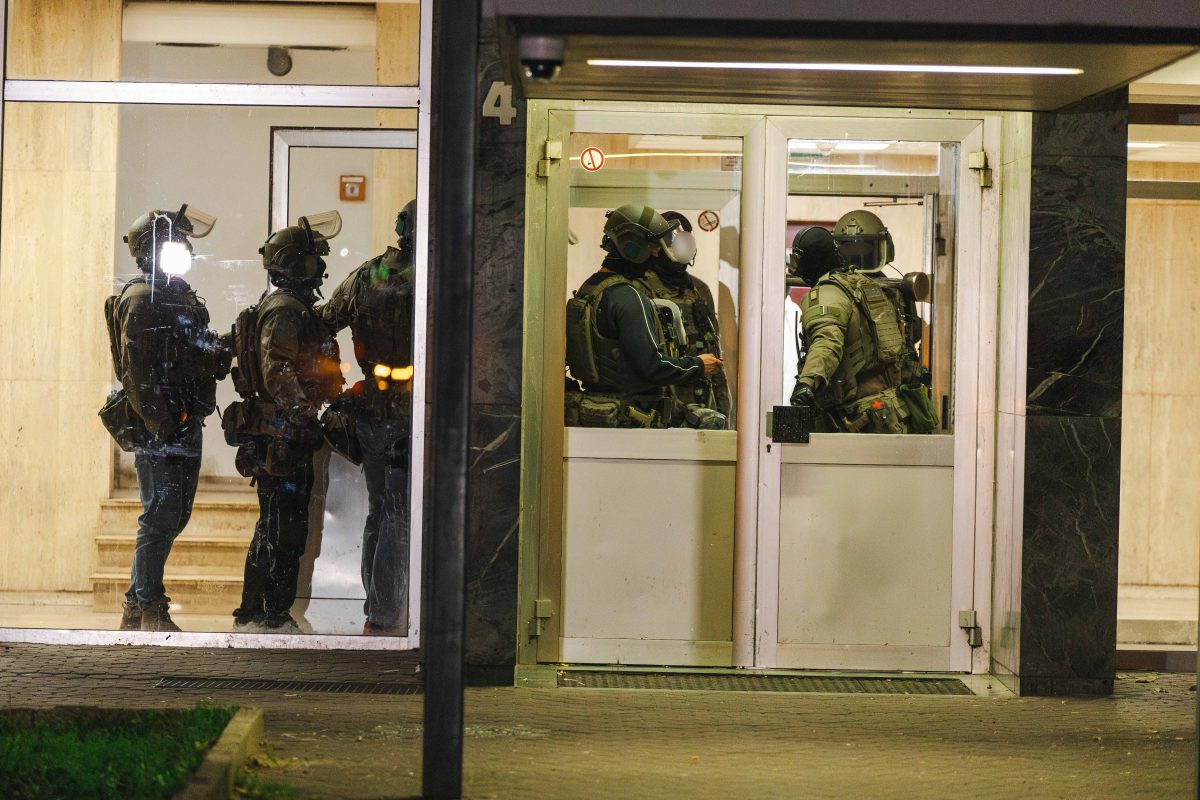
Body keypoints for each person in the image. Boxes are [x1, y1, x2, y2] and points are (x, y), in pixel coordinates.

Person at [104, 205, 227, 632]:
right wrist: (165, 426)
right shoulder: (142, 297)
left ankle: (136, 605)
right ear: (149, 250)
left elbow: (190, 352)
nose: (185, 249)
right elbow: (137, 375)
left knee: (172, 515)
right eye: (175, 243)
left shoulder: (175, 294)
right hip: (163, 428)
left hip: (183, 420)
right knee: (160, 515)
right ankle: (149, 605)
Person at [225, 212, 345, 633]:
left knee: (274, 525)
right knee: (284, 529)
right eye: (313, 257)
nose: (320, 264)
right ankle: (271, 615)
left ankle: (255, 612)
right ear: (295, 264)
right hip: (282, 435)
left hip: (277, 431)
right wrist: (303, 414)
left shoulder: (287, 307)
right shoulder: (286, 310)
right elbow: (278, 370)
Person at [317, 201, 416, 636]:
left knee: (380, 508)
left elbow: (325, 321)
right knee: (398, 513)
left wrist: (336, 383)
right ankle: (386, 614)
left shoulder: (367, 273)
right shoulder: (429, 277)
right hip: (410, 410)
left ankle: (376, 607)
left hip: (370, 406)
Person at [564, 204, 722, 429]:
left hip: (597, 411)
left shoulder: (590, 288)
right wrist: (698, 365)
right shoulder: (628, 296)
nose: (657, 253)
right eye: (654, 246)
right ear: (634, 247)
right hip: (630, 421)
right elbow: (653, 366)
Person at [787, 225, 937, 434]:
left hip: (859, 420)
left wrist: (807, 383)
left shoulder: (827, 293)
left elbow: (827, 341)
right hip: (893, 411)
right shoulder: (865, 286)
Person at [640, 211, 732, 428]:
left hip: (701, 407)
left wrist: (724, 409)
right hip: (659, 407)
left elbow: (712, 349)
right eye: (673, 239)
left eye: (685, 238)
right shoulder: (641, 287)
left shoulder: (699, 289)